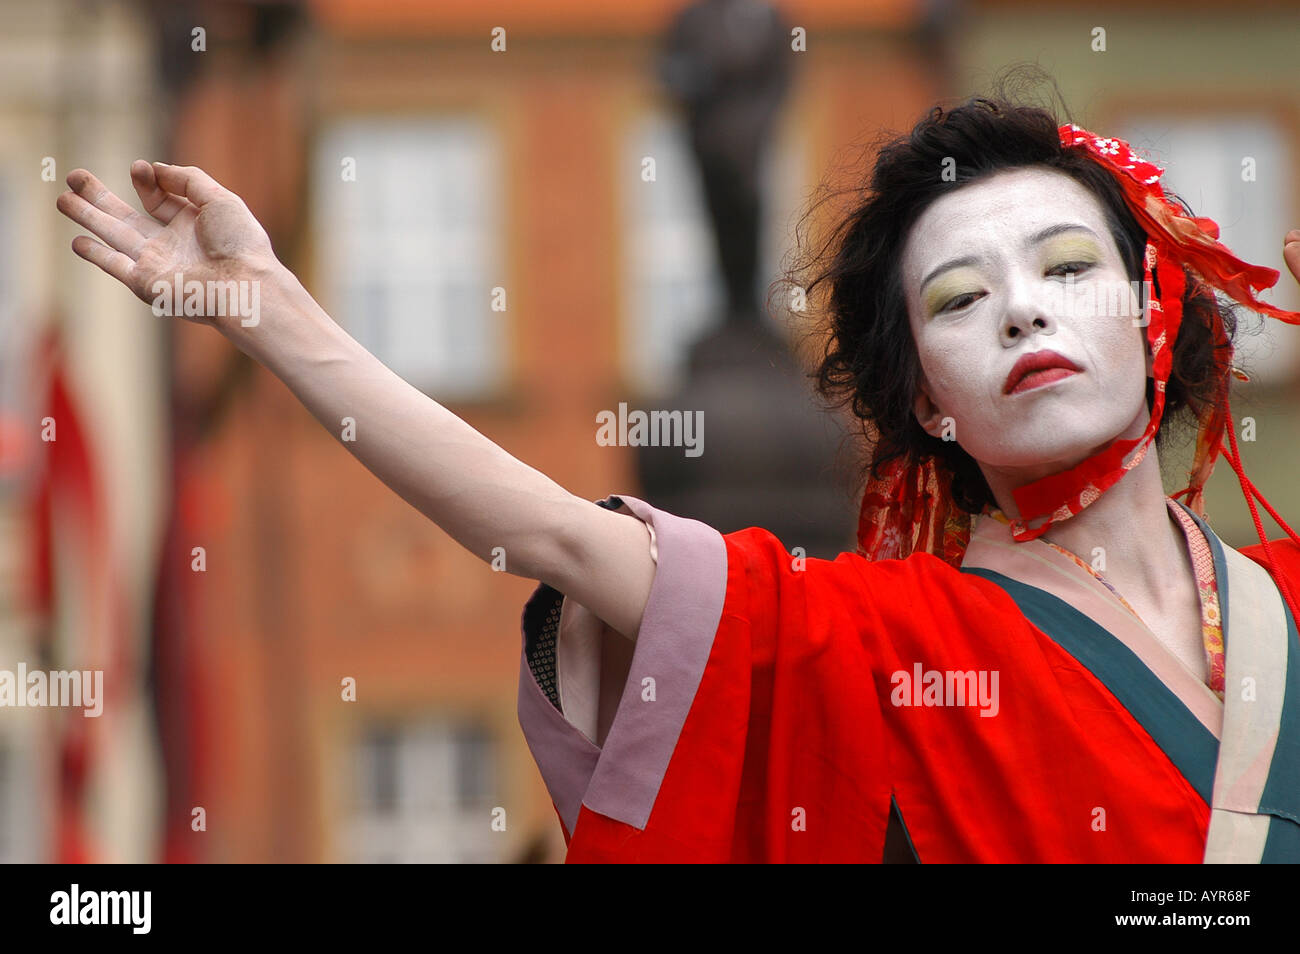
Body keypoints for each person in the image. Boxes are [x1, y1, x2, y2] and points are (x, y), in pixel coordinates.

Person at [56, 93, 1300, 863]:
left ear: (1153, 300)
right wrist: (269, 310)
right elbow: (553, 537)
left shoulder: (1286, 601)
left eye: (1068, 265)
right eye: (962, 298)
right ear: (925, 396)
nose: (1022, 312)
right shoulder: (880, 641)